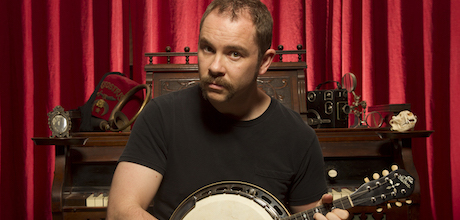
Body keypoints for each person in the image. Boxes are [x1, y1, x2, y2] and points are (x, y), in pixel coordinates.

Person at [107, 0, 349, 219]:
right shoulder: (161, 115)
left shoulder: (299, 138)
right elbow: (121, 211)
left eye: (234, 54)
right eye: (208, 48)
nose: (214, 66)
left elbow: (309, 214)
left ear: (264, 62)